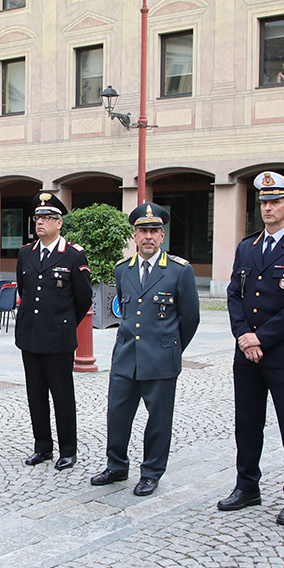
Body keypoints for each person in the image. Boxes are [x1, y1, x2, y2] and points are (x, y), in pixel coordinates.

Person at [218, 172, 284, 526]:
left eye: (275, 202)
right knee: (247, 423)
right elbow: (235, 294)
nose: (267, 208)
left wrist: (259, 338)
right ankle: (247, 486)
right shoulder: (247, 246)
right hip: (246, 354)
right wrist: (242, 335)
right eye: (263, 202)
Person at [90, 203, 200, 497]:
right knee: (117, 414)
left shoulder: (179, 271)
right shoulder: (122, 270)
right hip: (126, 357)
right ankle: (116, 466)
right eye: (142, 231)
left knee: (159, 419)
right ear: (134, 236)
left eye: (154, 231)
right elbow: (126, 311)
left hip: (161, 359)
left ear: (162, 236)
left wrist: (170, 348)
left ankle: (151, 472)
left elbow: (190, 318)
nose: (148, 236)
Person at [14, 192, 92, 471]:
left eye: (47, 218)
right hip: (31, 336)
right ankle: (42, 446)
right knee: (35, 395)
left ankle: (68, 449)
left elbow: (83, 298)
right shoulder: (26, 253)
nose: (40, 222)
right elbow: (24, 291)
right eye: (38, 217)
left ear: (59, 223)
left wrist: (64, 323)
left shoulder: (73, 254)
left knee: (61, 395)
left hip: (58, 338)